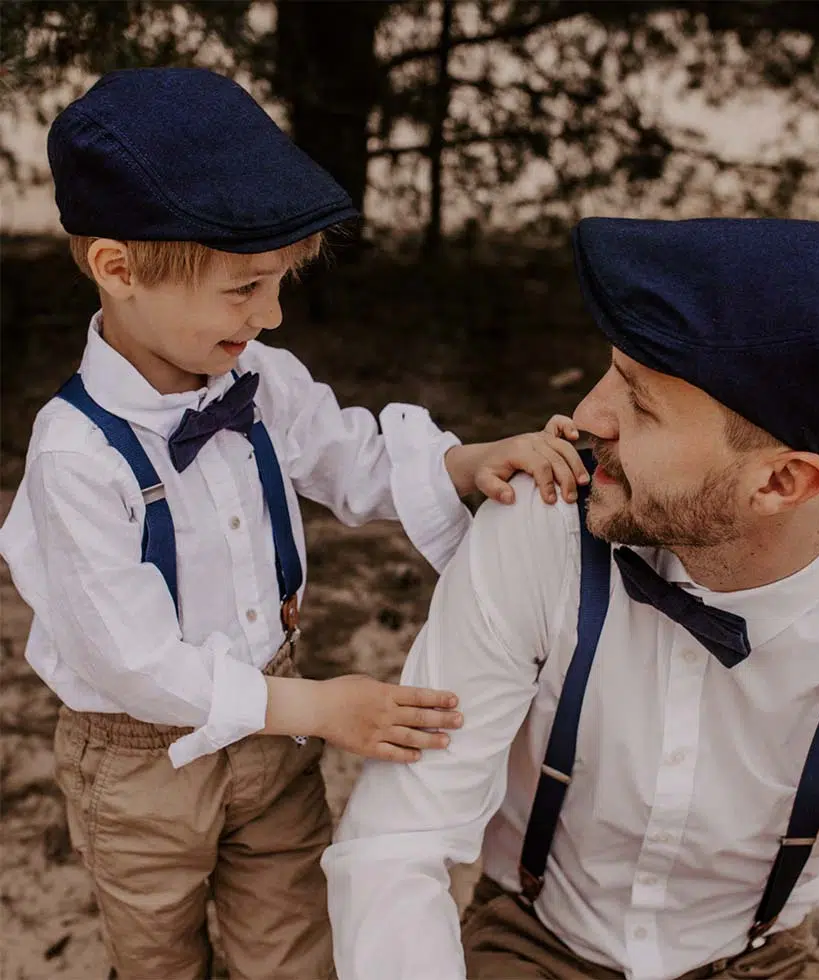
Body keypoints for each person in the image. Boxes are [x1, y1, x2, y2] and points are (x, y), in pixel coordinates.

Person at [0, 67, 588, 980]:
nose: (271, 315)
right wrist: (316, 708)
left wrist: (463, 465)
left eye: (278, 285)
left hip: (273, 734)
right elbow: (132, 658)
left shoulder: (258, 378)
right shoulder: (76, 456)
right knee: (158, 953)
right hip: (138, 768)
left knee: (295, 943)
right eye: (245, 289)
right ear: (117, 268)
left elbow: (345, 454)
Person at [325, 217, 819, 980]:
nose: (587, 418)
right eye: (612, 371)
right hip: (532, 938)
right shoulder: (542, 524)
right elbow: (397, 841)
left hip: (759, 960)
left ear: (781, 482)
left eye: (640, 403)